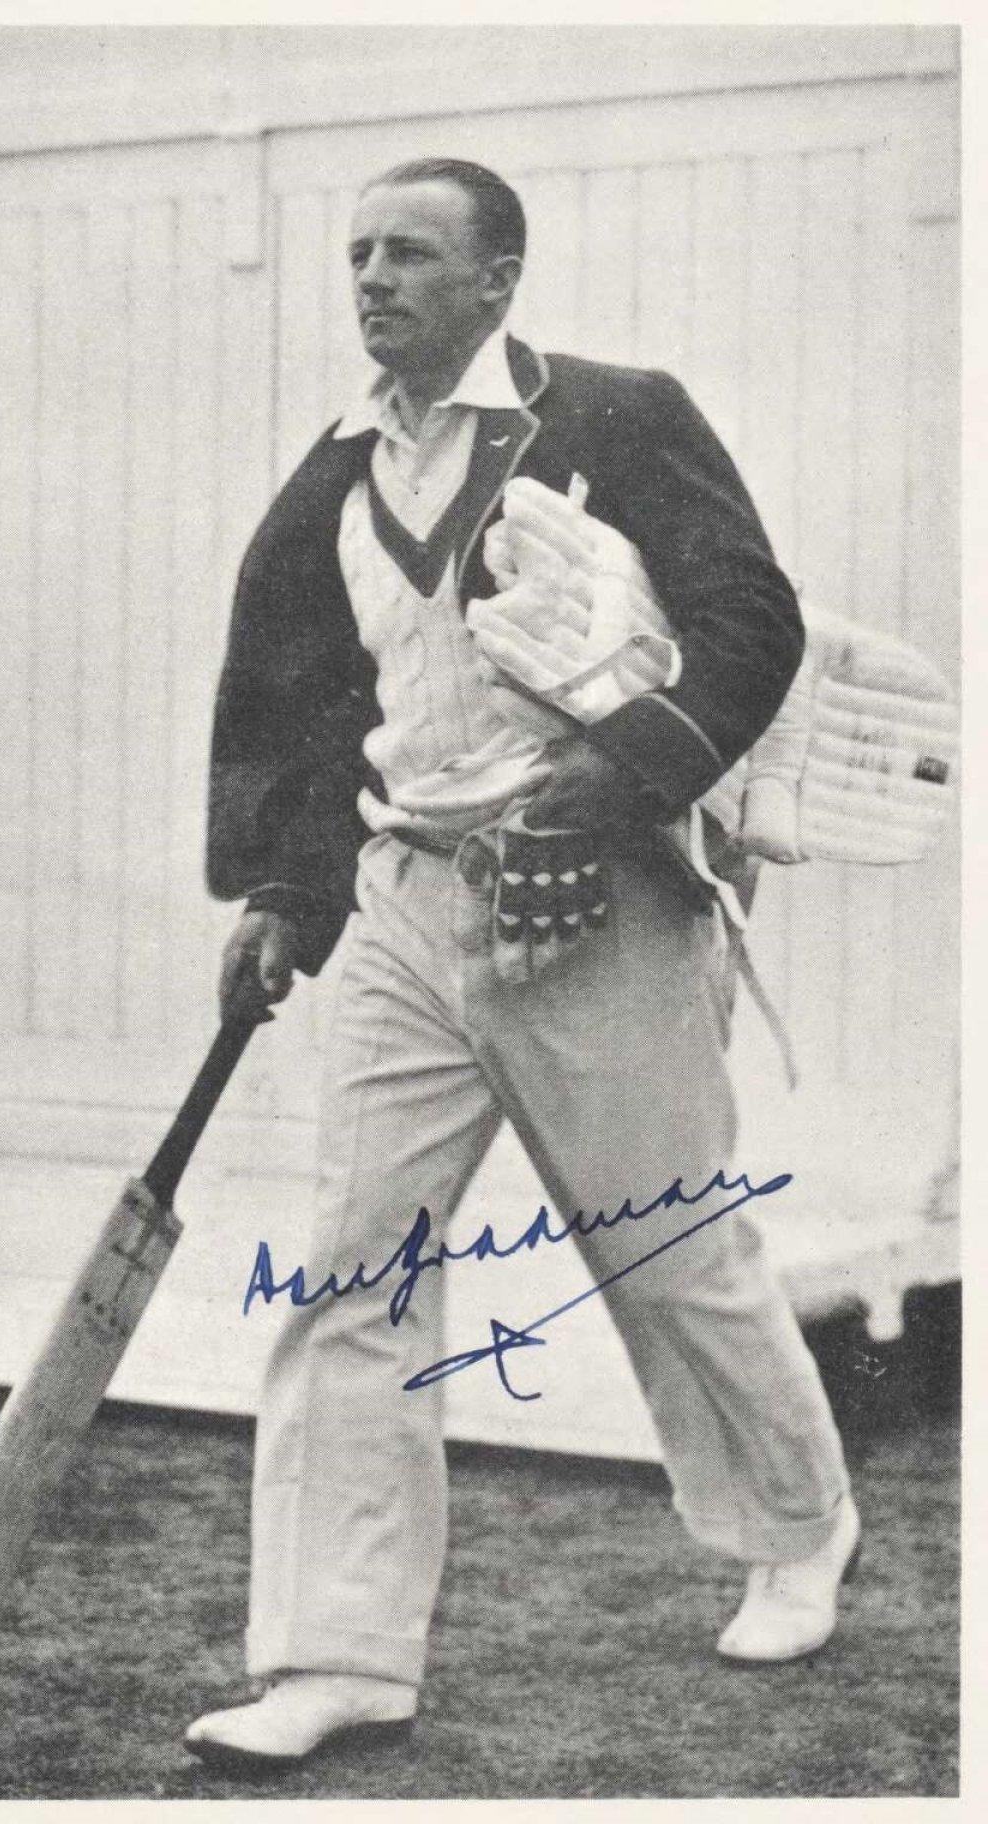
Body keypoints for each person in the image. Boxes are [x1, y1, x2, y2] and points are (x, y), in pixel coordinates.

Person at [187, 158, 858, 1771]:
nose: (371, 281)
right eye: (357, 255)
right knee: (355, 1265)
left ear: (500, 280)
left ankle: (797, 1530)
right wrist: (287, 890)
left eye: (411, 255)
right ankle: (337, 1657)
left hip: (603, 894)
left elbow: (748, 623)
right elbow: (295, 695)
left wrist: (613, 780)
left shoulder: (620, 415)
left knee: (667, 1243)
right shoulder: (337, 471)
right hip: (411, 897)